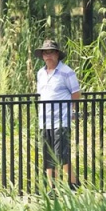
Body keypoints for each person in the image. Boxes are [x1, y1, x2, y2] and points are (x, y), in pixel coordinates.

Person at [34, 39, 81, 190]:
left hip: (61, 119)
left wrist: (71, 111)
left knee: (61, 154)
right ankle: (52, 188)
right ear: (42, 56)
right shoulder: (40, 73)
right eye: (45, 52)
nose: (48, 55)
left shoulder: (67, 72)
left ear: (57, 54)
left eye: (51, 52)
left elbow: (76, 93)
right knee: (48, 156)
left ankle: (74, 184)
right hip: (44, 120)